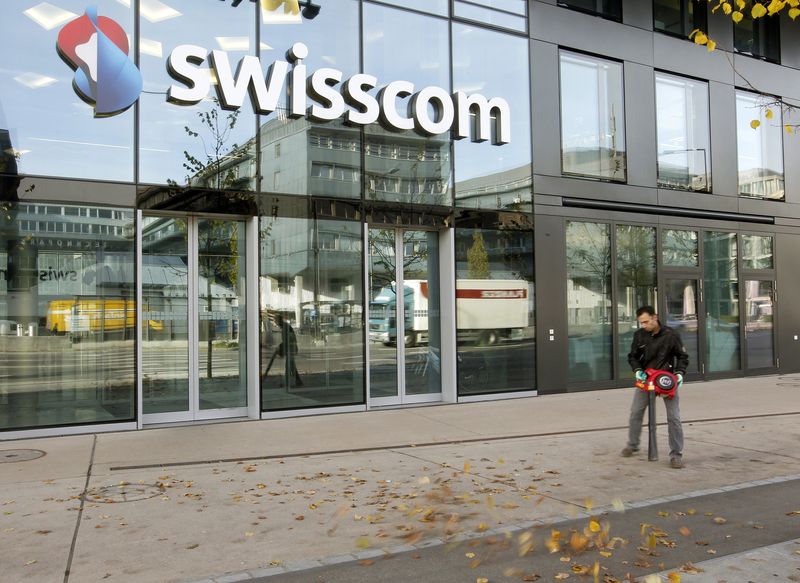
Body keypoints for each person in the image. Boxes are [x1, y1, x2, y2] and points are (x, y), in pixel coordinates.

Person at [622, 305, 689, 469]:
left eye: (646, 322)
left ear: (654, 317)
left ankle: (676, 455)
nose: (643, 325)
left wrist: (680, 373)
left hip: (666, 380)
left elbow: (682, 356)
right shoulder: (639, 336)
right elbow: (633, 356)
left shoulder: (671, 335)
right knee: (636, 412)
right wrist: (637, 370)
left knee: (674, 418)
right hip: (646, 380)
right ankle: (633, 444)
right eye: (641, 323)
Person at [264, 314, 303, 387]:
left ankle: (287, 384)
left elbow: (287, 340)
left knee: (288, 367)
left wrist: (279, 347)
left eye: (275, 321)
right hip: (291, 349)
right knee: (292, 367)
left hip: (290, 349)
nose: (275, 323)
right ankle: (298, 381)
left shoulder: (285, 327)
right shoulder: (285, 327)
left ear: (279, 321)